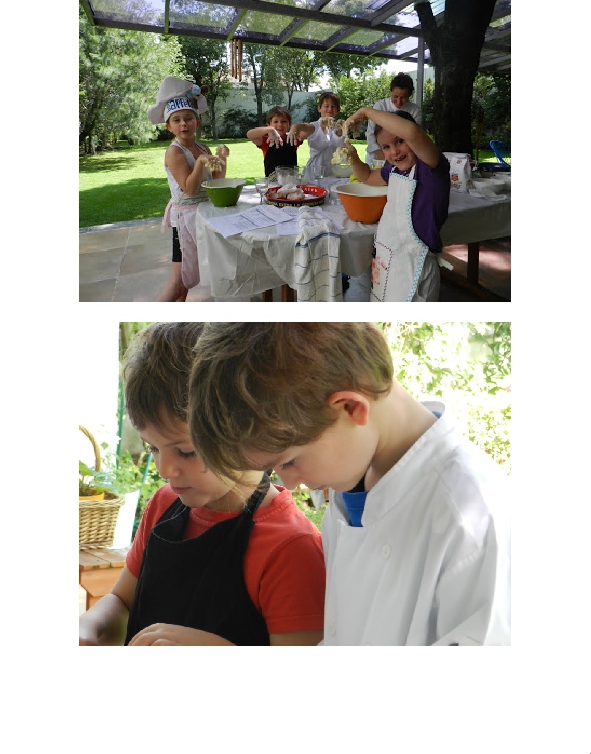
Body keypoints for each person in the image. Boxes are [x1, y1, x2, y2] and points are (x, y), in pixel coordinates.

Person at [186, 322, 511, 647]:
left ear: (350, 408)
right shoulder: (351, 487)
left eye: (289, 462)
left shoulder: (471, 515)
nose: (290, 483)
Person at [79, 322, 326, 646]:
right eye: (153, 448)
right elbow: (122, 601)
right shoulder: (164, 504)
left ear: (247, 429)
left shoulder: (291, 547)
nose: (165, 469)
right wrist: (90, 626)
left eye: (186, 451)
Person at [344, 108, 450, 301]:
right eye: (386, 147)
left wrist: (366, 112)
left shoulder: (431, 167)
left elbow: (411, 132)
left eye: (400, 141)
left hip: (416, 269)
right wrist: (353, 157)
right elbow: (367, 176)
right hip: (389, 263)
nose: (394, 151)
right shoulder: (394, 171)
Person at [147, 77, 230, 302]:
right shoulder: (174, 152)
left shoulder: (203, 148)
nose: (183, 124)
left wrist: (221, 158)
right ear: (169, 126)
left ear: (197, 122)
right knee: (178, 283)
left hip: (201, 216)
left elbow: (215, 181)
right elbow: (190, 189)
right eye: (177, 120)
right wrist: (201, 162)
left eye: (188, 118)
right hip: (184, 219)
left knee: (186, 282)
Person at [286, 91, 346, 181]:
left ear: (338, 110)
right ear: (319, 108)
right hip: (314, 171)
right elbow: (304, 127)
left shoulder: (338, 127)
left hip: (332, 171)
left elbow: (341, 148)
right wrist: (295, 127)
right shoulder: (314, 125)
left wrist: (339, 133)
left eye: (333, 106)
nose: (330, 109)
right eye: (326, 106)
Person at [365, 72, 422, 166]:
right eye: (395, 96)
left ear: (410, 95)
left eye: (403, 97)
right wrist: (384, 157)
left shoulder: (415, 110)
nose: (399, 102)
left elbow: (415, 136)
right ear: (390, 92)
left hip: (403, 157)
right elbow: (371, 133)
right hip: (378, 157)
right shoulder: (380, 106)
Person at [247, 106, 302, 178]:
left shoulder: (293, 139)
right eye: (276, 122)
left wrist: (296, 127)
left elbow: (311, 130)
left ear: (289, 124)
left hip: (291, 181)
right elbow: (249, 134)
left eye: (284, 121)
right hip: (272, 182)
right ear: (269, 125)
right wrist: (270, 130)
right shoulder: (267, 141)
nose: (280, 124)